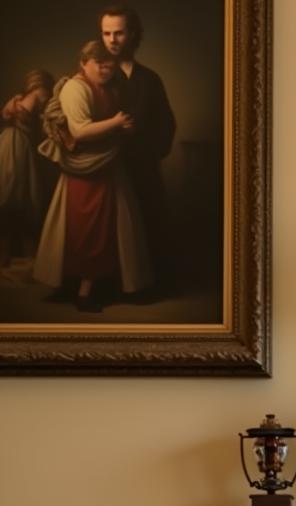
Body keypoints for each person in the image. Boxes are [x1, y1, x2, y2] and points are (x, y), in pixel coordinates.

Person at [33, 40, 152, 311]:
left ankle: (90, 288)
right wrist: (117, 123)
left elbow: (124, 122)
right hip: (82, 169)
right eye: (100, 64)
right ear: (84, 64)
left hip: (107, 168)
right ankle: (72, 285)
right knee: (78, 228)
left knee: (106, 230)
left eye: (110, 64)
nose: (106, 69)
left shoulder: (112, 87)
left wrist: (126, 127)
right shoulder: (75, 88)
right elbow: (80, 131)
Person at [100, 6, 175, 293]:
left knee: (148, 222)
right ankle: (105, 286)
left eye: (118, 33)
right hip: (105, 166)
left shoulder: (150, 79)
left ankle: (145, 286)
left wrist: (145, 145)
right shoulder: (96, 75)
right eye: (106, 33)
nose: (112, 40)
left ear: (132, 34)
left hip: (142, 167)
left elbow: (167, 124)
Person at [0, 70, 55, 268]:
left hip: (11, 144)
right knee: (17, 196)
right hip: (16, 146)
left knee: (17, 198)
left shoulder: (18, 100)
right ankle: (16, 257)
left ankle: (13, 257)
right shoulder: (34, 98)